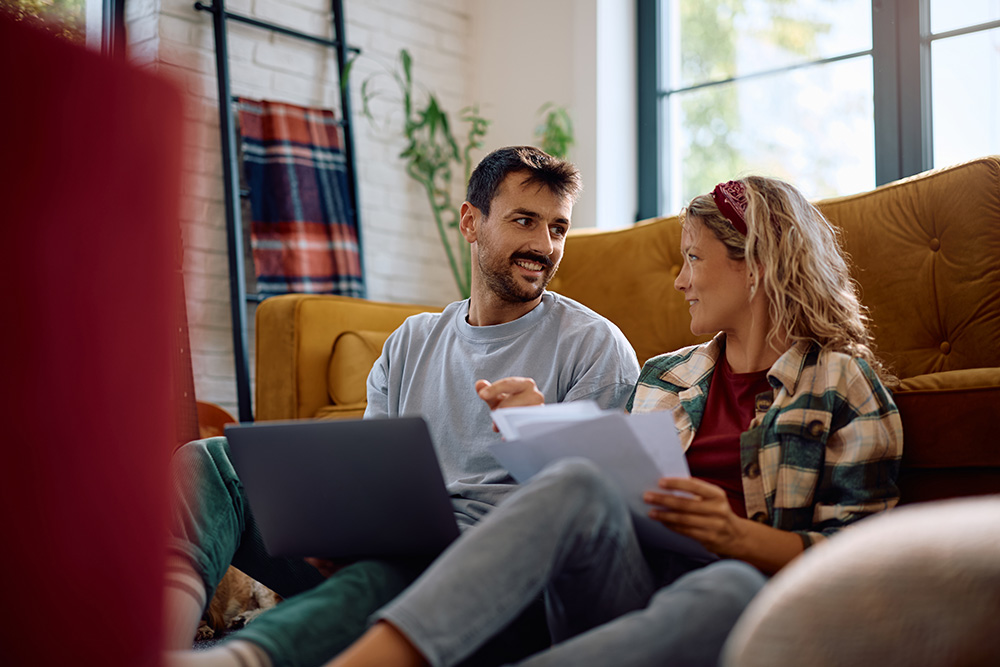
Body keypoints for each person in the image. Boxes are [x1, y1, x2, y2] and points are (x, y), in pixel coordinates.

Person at [327, 176, 904, 667]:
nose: (679, 281)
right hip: (624, 591)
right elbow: (605, 504)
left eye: (694, 259)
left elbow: (858, 563)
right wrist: (547, 429)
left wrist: (737, 537)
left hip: (738, 605)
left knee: (729, 584)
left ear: (755, 267)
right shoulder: (664, 378)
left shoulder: (841, 385)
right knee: (576, 481)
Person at [163, 146, 641, 667]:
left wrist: (541, 433)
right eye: (524, 221)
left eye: (558, 228)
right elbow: (372, 481)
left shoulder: (597, 346)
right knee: (212, 460)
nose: (543, 245)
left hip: (491, 581)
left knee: (386, 574)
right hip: (390, 549)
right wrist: (341, 530)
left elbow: (599, 516)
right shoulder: (412, 341)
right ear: (470, 222)